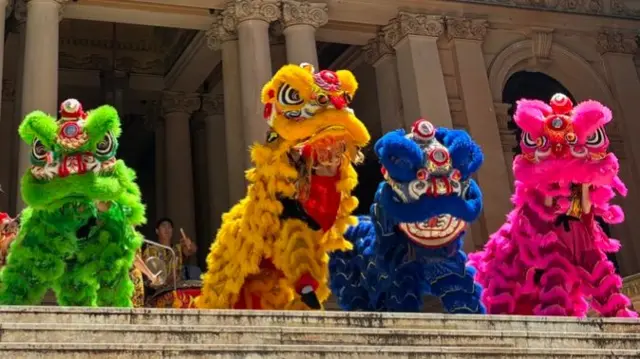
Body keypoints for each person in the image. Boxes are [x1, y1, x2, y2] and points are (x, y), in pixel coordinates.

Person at [143, 218, 199, 286]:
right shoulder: (151, 250)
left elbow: (192, 250)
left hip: (176, 288)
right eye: (163, 226)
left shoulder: (178, 249)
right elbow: (148, 276)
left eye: (169, 227)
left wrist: (189, 244)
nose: (167, 229)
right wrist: (166, 281)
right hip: (158, 292)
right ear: (157, 231)